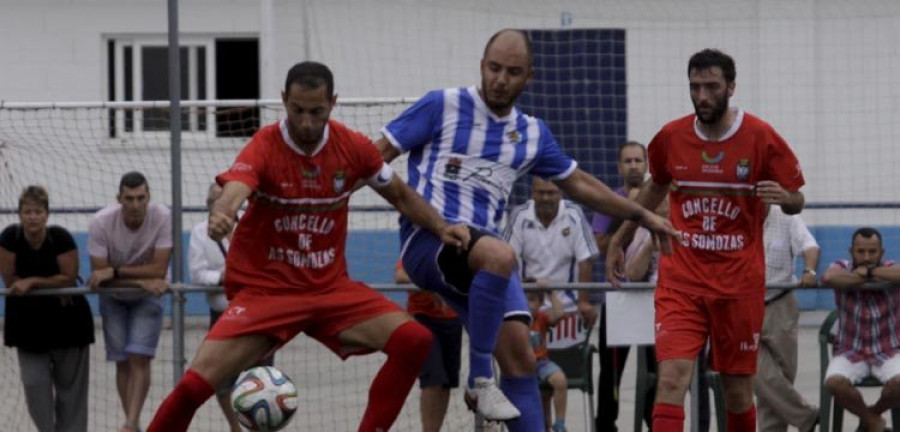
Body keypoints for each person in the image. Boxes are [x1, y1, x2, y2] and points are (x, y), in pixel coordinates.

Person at [375, 29, 676, 430]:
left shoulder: (532, 133)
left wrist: (644, 216)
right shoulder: (441, 105)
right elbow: (372, 158)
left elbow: (582, 184)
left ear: (529, 77)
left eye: (512, 72)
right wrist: (420, 214)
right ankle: (480, 379)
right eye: (494, 68)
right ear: (482, 66)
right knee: (502, 255)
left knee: (521, 361)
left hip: (482, 262)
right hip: (429, 242)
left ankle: (493, 385)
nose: (501, 79)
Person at [146, 61, 470, 432]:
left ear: (333, 103)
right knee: (193, 386)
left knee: (414, 340)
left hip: (329, 290)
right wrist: (224, 211)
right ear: (284, 100)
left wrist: (441, 227)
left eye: (316, 112)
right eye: (297, 110)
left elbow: (399, 194)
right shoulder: (264, 146)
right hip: (267, 293)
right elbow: (235, 187)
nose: (305, 122)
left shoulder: (354, 148)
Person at [606, 48, 806, 432]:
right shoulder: (670, 137)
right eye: (695, 87)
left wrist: (787, 200)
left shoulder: (761, 138)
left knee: (736, 393)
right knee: (670, 380)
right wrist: (622, 234)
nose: (702, 96)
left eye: (711, 86)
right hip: (682, 281)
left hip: (738, 286)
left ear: (731, 87)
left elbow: (797, 199)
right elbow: (654, 188)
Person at [0, 185, 94, 432]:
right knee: (35, 388)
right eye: (28, 211)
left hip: (68, 326)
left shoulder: (60, 238)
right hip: (27, 329)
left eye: (38, 211)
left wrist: (33, 281)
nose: (33, 217)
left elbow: (69, 277)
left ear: (47, 214)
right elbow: (10, 281)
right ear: (19, 214)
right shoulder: (10, 238)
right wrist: (48, 281)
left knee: (71, 396)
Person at [87, 171, 172, 432]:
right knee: (122, 360)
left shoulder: (162, 217)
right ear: (119, 199)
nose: (135, 205)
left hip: (148, 295)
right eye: (129, 199)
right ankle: (132, 424)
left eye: (140, 198)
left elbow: (158, 270)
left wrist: (116, 271)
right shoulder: (101, 222)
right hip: (115, 297)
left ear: (149, 197)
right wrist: (137, 280)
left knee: (139, 357)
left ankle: (131, 422)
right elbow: (98, 277)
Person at [188, 183, 274, 432]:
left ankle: (259, 427)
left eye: (225, 198)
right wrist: (222, 278)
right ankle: (236, 428)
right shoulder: (200, 233)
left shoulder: (251, 226)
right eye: (215, 200)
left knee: (260, 378)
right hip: (224, 314)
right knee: (222, 380)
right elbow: (197, 273)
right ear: (208, 206)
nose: (222, 204)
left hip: (258, 314)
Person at [591, 141, 647, 432]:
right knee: (611, 372)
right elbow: (600, 242)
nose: (634, 166)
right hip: (619, 297)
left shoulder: (661, 199)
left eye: (639, 160)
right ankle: (606, 424)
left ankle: (655, 420)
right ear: (619, 167)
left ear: (647, 165)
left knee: (655, 371)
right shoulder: (610, 200)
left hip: (655, 297)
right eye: (628, 161)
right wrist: (627, 224)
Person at [822, 227, 900, 432]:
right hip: (850, 350)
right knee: (834, 383)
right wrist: (866, 277)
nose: (866, 257)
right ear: (851, 252)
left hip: (888, 350)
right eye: (861, 252)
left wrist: (870, 271)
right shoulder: (842, 266)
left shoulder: (890, 268)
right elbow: (829, 278)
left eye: (872, 252)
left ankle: (871, 416)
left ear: (882, 253)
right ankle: (873, 422)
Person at [755, 204, 820, 432]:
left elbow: (810, 246)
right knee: (756, 371)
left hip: (780, 305)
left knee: (782, 375)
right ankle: (807, 417)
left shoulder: (786, 218)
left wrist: (809, 271)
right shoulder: (736, 218)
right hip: (745, 306)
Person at [504, 177, 599, 324]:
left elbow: (585, 260)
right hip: (529, 310)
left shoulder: (574, 214)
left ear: (560, 193)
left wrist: (583, 302)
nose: (545, 198)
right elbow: (508, 259)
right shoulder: (519, 216)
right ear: (532, 193)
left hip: (569, 310)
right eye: (540, 192)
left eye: (551, 192)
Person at [395, 260, 464, 432]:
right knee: (433, 379)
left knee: (447, 383)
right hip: (422, 318)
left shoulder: (454, 248)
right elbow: (401, 276)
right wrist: (430, 286)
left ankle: (435, 428)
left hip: (452, 319)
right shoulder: (418, 247)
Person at [526, 289, 568, 432]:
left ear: (540, 303)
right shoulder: (516, 321)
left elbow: (559, 314)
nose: (527, 304)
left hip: (541, 363)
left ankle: (560, 424)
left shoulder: (541, 318)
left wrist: (550, 292)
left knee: (560, 380)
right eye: (523, 299)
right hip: (523, 366)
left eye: (532, 299)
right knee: (542, 411)